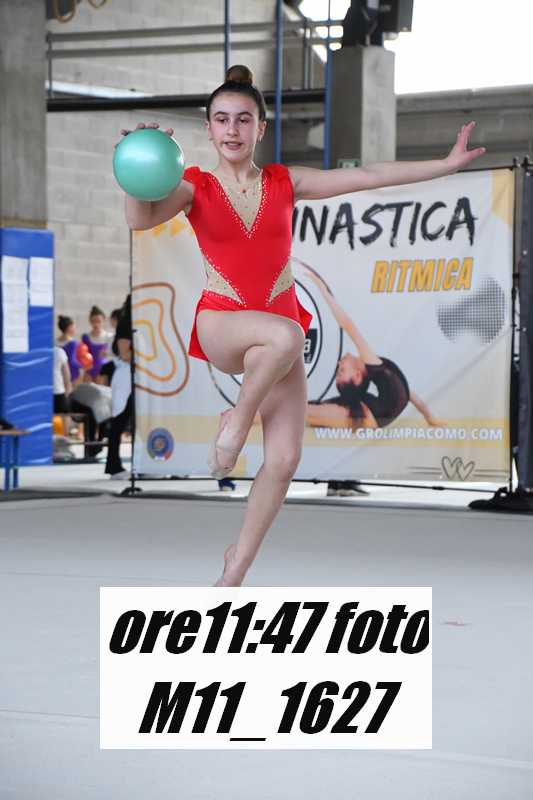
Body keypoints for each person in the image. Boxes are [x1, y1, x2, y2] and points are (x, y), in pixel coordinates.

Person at [119, 64, 485, 586]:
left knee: (286, 458)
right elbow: (139, 218)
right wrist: (136, 171)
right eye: (221, 119)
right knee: (287, 333)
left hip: (276, 340)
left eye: (243, 119)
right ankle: (236, 423)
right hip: (223, 322)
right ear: (208, 128)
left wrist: (444, 166)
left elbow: (370, 176)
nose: (231, 130)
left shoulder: (284, 182)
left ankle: (235, 568)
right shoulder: (194, 186)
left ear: (260, 128)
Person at [300, 264, 446, 430]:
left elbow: (408, 393)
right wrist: (322, 288)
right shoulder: (375, 367)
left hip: (369, 416)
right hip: (370, 416)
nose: (339, 362)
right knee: (304, 412)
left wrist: (430, 417)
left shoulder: (379, 372)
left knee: (303, 412)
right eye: (342, 370)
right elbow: (347, 325)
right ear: (357, 376)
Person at [104, 295, 133, 479]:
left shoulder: (139, 322)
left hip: (138, 377)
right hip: (125, 377)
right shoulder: (126, 323)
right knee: (119, 422)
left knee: (135, 422)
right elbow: (125, 354)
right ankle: (113, 465)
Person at [81, 305, 112, 381]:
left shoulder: (109, 336)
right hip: (89, 370)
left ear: (103, 320)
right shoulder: (85, 337)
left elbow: (113, 355)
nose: (96, 324)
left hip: (103, 370)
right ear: (90, 321)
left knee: (102, 388)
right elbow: (82, 355)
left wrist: (107, 354)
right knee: (86, 388)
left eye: (98, 321)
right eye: (93, 321)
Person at [99, 307, 123, 386]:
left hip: (117, 367)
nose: (111, 321)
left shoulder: (122, 338)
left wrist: (108, 354)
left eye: (112, 319)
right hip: (110, 366)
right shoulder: (111, 337)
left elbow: (121, 353)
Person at [56, 315, 80, 384]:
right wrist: (82, 365)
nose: (75, 329)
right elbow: (72, 361)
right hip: (72, 373)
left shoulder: (55, 342)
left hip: (59, 373)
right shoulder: (73, 343)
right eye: (74, 327)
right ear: (70, 327)